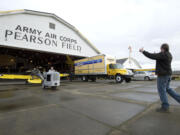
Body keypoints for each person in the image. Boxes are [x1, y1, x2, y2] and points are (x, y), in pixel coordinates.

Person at [139, 43, 180, 113]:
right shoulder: (169, 54)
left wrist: (143, 51)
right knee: (168, 89)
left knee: (161, 90)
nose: (160, 50)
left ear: (162, 49)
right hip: (168, 75)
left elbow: (152, 56)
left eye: (161, 49)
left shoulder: (163, 54)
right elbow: (158, 56)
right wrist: (157, 55)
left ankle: (165, 106)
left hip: (162, 76)